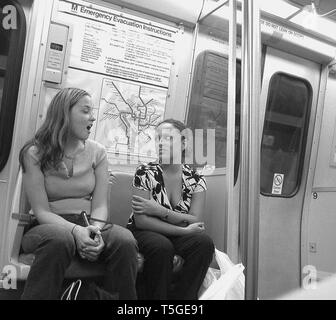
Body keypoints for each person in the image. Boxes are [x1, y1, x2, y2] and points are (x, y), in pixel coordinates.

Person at [18, 87, 138, 300]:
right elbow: (41, 210)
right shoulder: (33, 152)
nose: (92, 117)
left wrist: (95, 232)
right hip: (47, 226)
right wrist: (76, 231)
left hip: (88, 223)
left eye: (92, 112)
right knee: (60, 238)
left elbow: (100, 205)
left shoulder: (97, 152)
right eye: (85, 111)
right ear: (64, 113)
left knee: (125, 240)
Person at [128, 119, 215, 300]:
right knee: (162, 246)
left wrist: (159, 211)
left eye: (167, 138)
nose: (160, 143)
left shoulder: (196, 179)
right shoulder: (145, 172)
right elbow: (142, 220)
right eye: (158, 138)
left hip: (175, 233)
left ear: (183, 143)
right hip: (145, 230)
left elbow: (196, 220)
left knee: (204, 244)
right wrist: (183, 228)